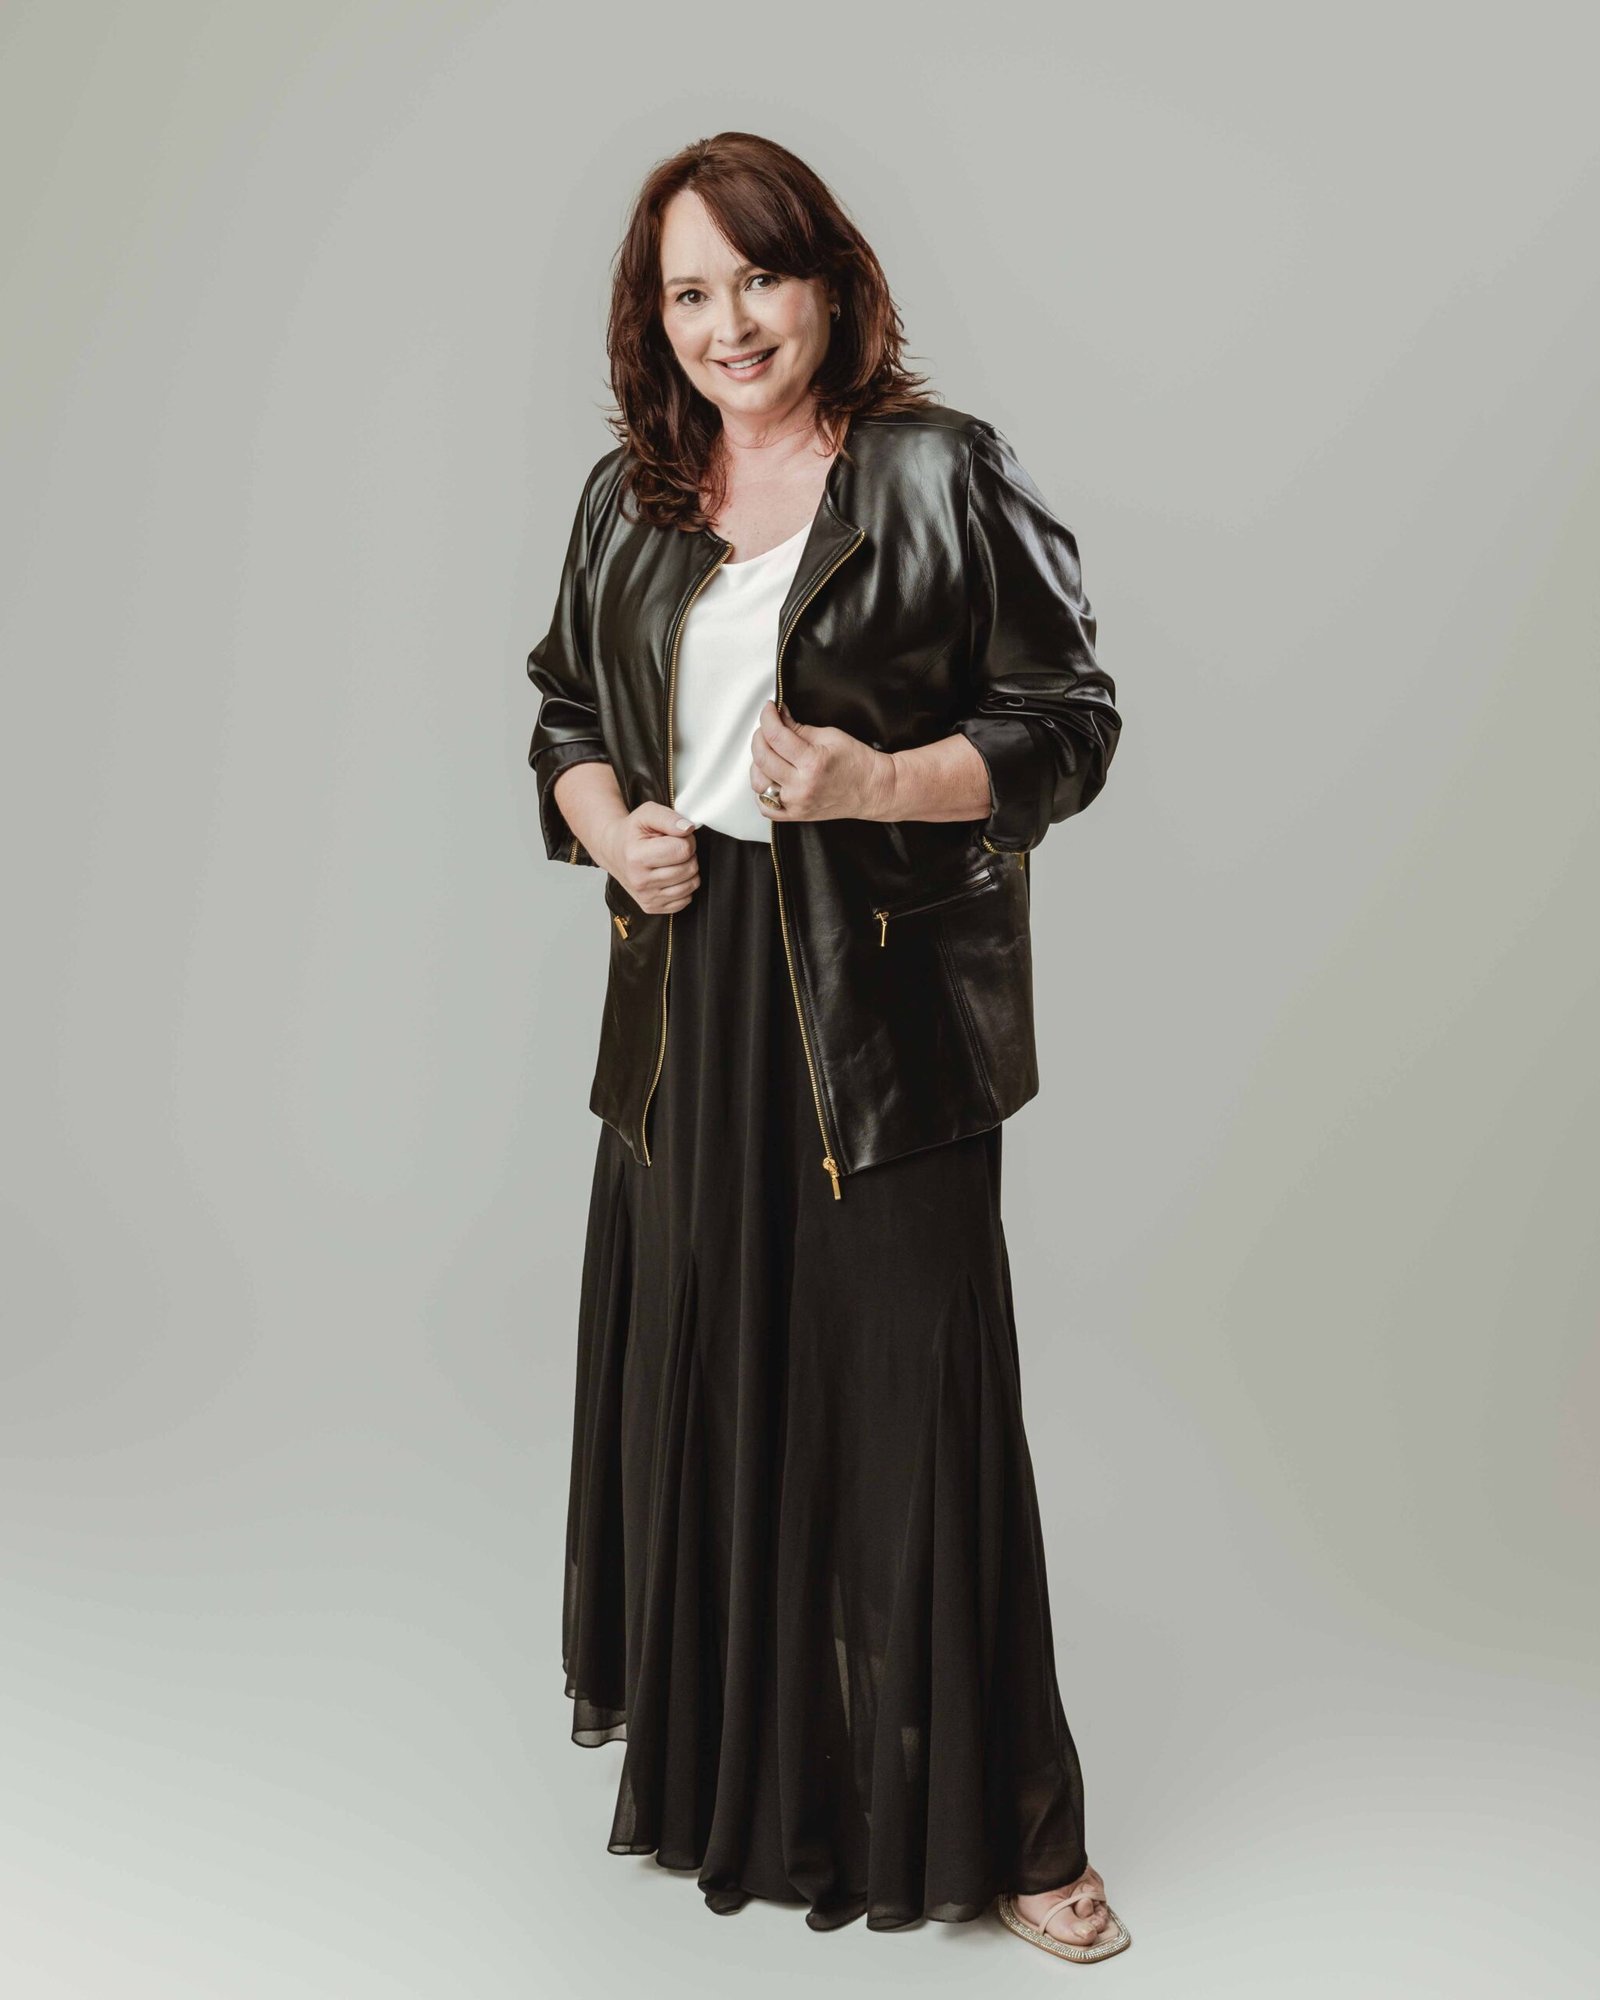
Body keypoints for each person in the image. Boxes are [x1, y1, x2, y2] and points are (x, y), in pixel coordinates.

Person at [525, 130, 1129, 1960]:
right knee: (720, 1383)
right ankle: (764, 1787)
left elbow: (1069, 724)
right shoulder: (631, 496)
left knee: (915, 1408)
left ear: (829, 281)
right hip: (690, 996)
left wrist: (882, 781)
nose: (728, 324)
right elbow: (562, 706)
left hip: (877, 1004)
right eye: (688, 293)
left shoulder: (941, 472)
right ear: (653, 318)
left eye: (758, 278)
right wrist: (607, 824)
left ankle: (1018, 1830)